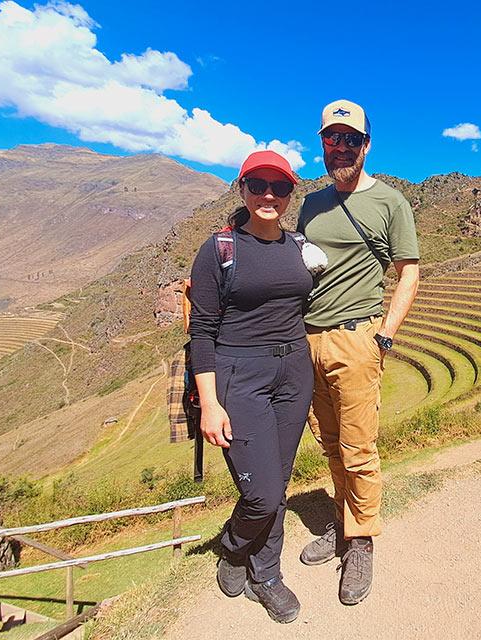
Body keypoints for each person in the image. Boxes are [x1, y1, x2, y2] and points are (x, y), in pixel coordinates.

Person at [297, 99, 420, 605]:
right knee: (328, 442)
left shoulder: (391, 202)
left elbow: (408, 271)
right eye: (332, 138)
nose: (341, 147)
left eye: (351, 139)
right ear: (322, 143)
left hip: (356, 337)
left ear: (366, 144)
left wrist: (384, 335)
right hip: (307, 338)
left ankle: (362, 539)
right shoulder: (310, 204)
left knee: (357, 445)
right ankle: (343, 524)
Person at [188, 150, 314, 624]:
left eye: (279, 187)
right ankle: (232, 546)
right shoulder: (220, 248)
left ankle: (266, 574)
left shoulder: (298, 245)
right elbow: (201, 330)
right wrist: (210, 404)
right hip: (240, 375)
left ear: (289, 194)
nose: (268, 195)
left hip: (294, 373)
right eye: (258, 185)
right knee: (260, 492)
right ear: (241, 188)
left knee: (277, 483)